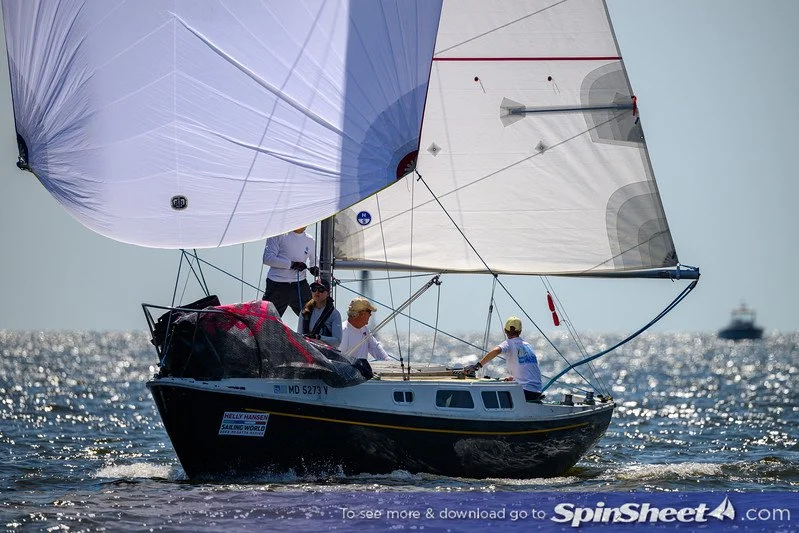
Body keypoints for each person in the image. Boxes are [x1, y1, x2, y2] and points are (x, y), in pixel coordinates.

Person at [464, 316, 544, 402]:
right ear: (520, 331)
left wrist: (478, 366)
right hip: (537, 392)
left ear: (505, 330)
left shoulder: (509, 343)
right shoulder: (528, 345)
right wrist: (514, 379)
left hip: (524, 392)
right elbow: (525, 369)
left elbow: (496, 351)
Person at [262, 226, 319, 317]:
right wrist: (291, 264)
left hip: (299, 285)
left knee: (312, 317)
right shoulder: (278, 235)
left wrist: (315, 268)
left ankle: (309, 331)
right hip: (277, 285)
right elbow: (267, 259)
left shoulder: (310, 240)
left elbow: (314, 262)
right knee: (267, 320)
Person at [339, 297, 391, 363]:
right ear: (361, 313)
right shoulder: (344, 331)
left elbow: (375, 347)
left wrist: (388, 361)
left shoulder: (364, 329)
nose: (370, 315)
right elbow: (340, 360)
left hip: (362, 370)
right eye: (369, 311)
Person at [297, 278, 342, 347]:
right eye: (314, 289)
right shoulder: (305, 311)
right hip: (307, 351)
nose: (317, 292)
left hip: (325, 354)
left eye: (321, 289)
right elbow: (299, 336)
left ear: (328, 293)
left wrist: (318, 337)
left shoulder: (334, 314)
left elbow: (337, 342)